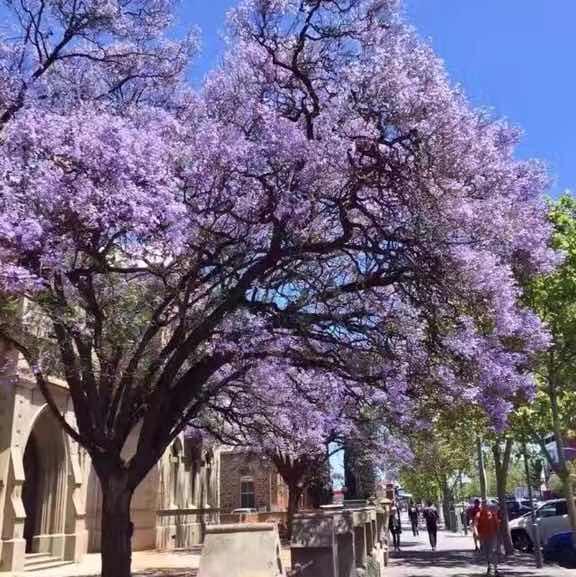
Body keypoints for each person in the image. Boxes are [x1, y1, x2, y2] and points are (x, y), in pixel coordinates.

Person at [475, 501, 501, 576]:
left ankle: (495, 569)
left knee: (493, 552)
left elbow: (497, 525)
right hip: (483, 537)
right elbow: (475, 525)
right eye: (483, 506)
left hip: (492, 536)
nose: (485, 507)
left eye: (486, 506)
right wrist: (476, 533)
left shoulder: (492, 514)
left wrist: (498, 536)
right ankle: (489, 567)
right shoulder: (478, 514)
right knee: (487, 554)